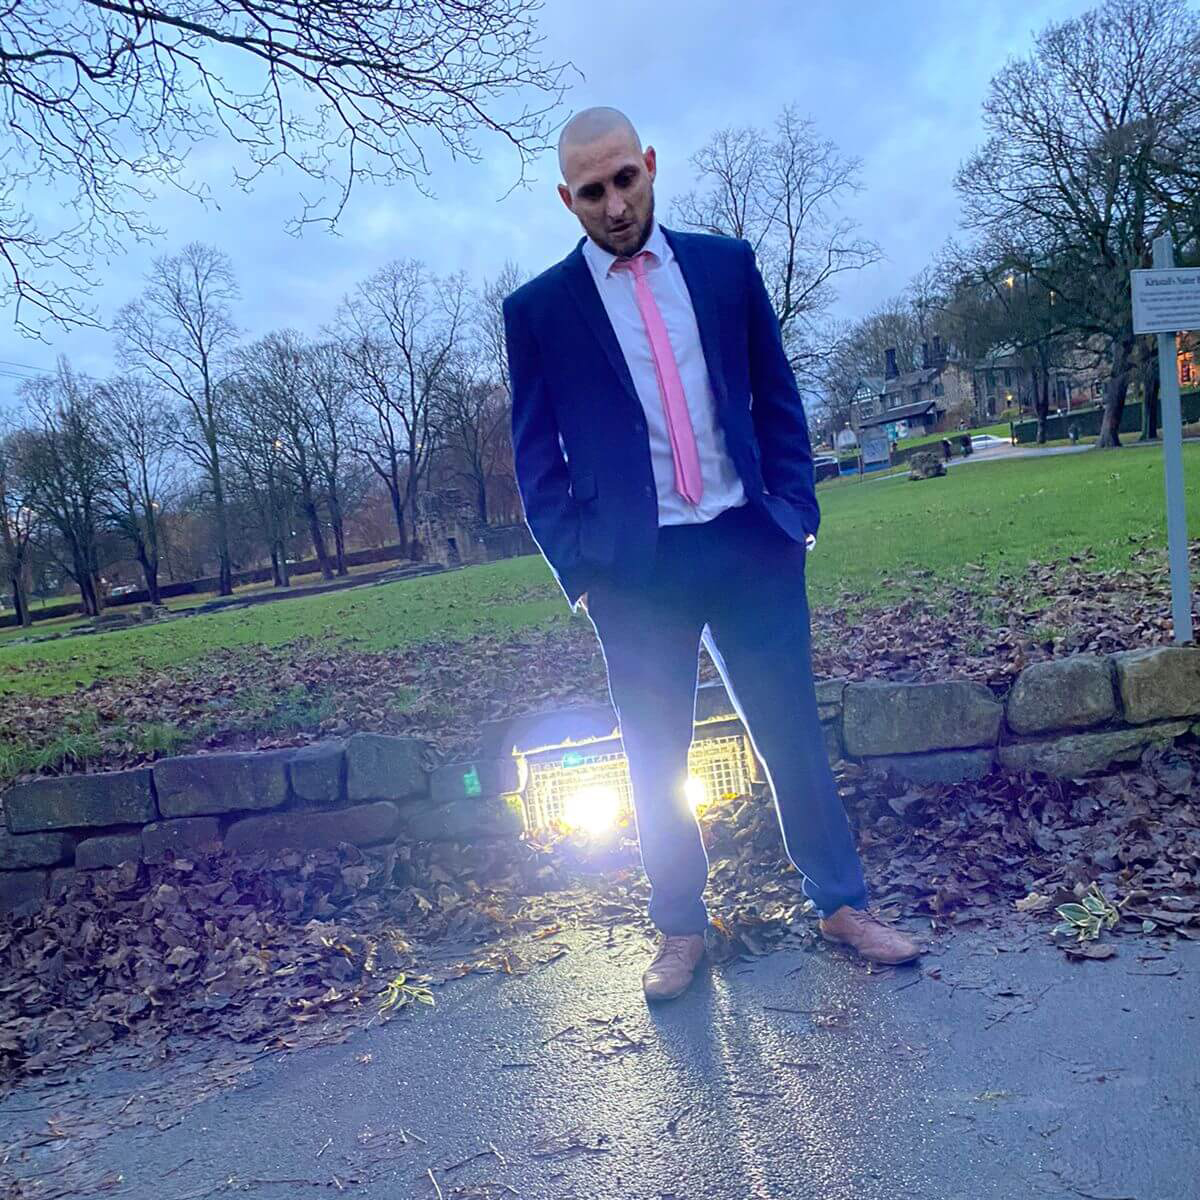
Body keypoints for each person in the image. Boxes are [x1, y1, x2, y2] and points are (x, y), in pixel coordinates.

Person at [503, 107, 920, 1002]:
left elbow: (777, 395)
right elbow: (535, 459)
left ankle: (842, 905)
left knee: (792, 740)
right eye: (591, 191)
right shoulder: (538, 311)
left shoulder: (728, 268)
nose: (614, 204)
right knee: (656, 759)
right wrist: (582, 574)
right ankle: (681, 930)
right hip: (636, 572)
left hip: (747, 544)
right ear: (564, 198)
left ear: (648, 165)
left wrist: (795, 515)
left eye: (625, 179)